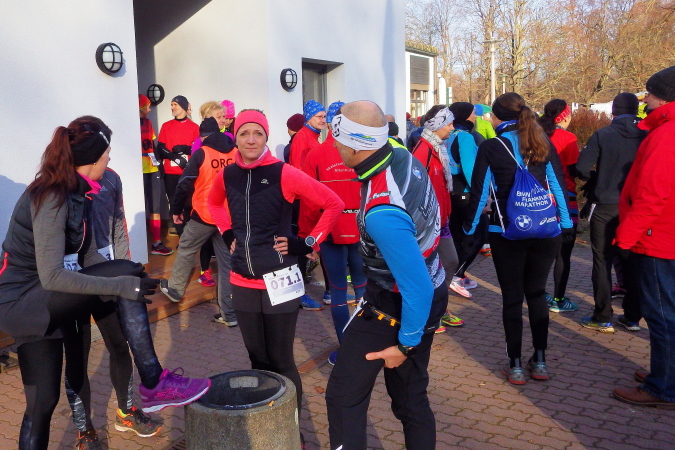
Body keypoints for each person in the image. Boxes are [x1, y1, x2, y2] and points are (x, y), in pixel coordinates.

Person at [0, 116, 210, 450]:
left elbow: (87, 256)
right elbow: (52, 275)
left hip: (48, 298)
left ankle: (152, 383)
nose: (110, 159)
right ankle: (153, 382)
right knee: (44, 401)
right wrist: (120, 285)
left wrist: (129, 276)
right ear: (93, 160)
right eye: (107, 155)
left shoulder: (77, 193)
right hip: (25, 301)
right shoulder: (52, 196)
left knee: (42, 403)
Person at [207, 109, 343, 444]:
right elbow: (214, 204)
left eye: (258, 133)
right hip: (242, 279)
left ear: (267, 137)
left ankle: (290, 431)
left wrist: (307, 242)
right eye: (244, 133)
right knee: (257, 359)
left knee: (281, 359)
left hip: (279, 280)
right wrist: (227, 233)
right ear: (235, 137)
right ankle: (266, 424)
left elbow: (333, 203)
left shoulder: (284, 173)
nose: (251, 140)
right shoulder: (228, 175)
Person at [325, 101, 448, 450]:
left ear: (354, 145)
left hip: (396, 304)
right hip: (429, 283)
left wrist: (406, 345)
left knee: (343, 398)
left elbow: (417, 290)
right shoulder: (398, 151)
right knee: (410, 400)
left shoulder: (382, 211)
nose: (334, 145)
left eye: (337, 139)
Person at [463, 93, 573, 385]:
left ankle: (515, 366)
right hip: (545, 229)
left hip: (506, 231)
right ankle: (540, 361)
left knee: (512, 298)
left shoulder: (491, 146)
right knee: (536, 293)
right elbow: (558, 185)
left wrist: (470, 229)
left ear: (497, 117)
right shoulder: (541, 141)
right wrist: (565, 223)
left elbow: (480, 193)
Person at [64, 168, 162, 449]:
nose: (107, 157)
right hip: (72, 282)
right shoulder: (61, 182)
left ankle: (126, 412)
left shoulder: (111, 178)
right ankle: (85, 430)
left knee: (119, 345)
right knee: (78, 357)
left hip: (107, 275)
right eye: (103, 152)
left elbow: (118, 225)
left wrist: (123, 268)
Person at [613, 65, 675, 407]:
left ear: (663, 97)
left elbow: (652, 194)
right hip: (665, 234)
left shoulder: (666, 135)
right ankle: (666, 373)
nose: (645, 100)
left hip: (660, 238)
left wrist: (626, 237)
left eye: (649, 93)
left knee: (663, 316)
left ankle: (662, 387)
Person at [301, 101, 368, 366]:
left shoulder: (316, 155)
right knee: (362, 288)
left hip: (330, 231)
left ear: (329, 123)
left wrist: (308, 237)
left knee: (339, 290)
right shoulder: (363, 152)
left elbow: (308, 203)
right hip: (361, 230)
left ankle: (346, 348)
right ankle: (364, 346)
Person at [159, 117, 238, 327]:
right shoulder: (235, 152)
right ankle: (229, 314)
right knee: (226, 264)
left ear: (202, 137)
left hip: (205, 214)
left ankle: (175, 289)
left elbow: (184, 184)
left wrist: (176, 210)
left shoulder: (202, 153)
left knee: (186, 247)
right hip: (227, 219)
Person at [576, 93, 645, 332]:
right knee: (634, 259)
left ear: (613, 111)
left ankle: (602, 315)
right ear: (637, 110)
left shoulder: (603, 134)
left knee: (602, 259)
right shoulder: (648, 135)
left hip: (605, 203)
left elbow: (582, 167)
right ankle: (633, 316)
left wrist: (598, 178)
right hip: (636, 205)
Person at [410, 105, 464, 330]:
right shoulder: (422, 150)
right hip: (428, 223)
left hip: (442, 220)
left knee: (449, 262)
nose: (452, 128)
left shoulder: (438, 148)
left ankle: (439, 309)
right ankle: (429, 314)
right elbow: (413, 189)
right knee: (433, 268)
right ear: (437, 125)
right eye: (449, 123)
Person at [538, 99, 580, 313]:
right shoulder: (568, 138)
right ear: (564, 116)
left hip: (539, 198)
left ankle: (538, 294)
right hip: (565, 196)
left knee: (541, 251)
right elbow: (574, 170)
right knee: (563, 253)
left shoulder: (536, 134)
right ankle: (558, 299)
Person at [289, 100, 328, 311]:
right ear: (309, 118)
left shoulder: (313, 136)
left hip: (314, 199)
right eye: (319, 116)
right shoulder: (302, 138)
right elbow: (298, 170)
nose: (323, 120)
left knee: (313, 244)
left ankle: (329, 290)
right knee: (303, 246)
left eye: (324, 116)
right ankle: (299, 294)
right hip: (303, 201)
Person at [447, 102, 485, 298]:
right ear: (464, 115)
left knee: (456, 236)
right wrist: (482, 194)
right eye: (472, 113)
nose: (475, 117)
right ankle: (455, 275)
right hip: (466, 192)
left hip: (451, 192)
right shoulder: (465, 137)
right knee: (478, 234)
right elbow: (471, 171)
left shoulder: (449, 134)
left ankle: (456, 274)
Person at [155, 95, 200, 235]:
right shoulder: (166, 126)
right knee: (174, 201)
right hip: (170, 173)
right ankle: (177, 230)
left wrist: (186, 149)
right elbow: (160, 148)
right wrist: (173, 156)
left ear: (184, 107)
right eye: (171, 105)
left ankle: (188, 232)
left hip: (187, 172)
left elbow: (199, 149)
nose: (172, 107)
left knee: (188, 203)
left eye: (175, 105)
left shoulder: (194, 127)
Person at [139, 95, 172, 256]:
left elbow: (152, 145)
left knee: (155, 207)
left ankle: (157, 243)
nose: (150, 109)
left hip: (152, 169)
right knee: (138, 207)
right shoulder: (130, 123)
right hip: (138, 170)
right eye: (147, 106)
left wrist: (159, 164)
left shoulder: (148, 123)